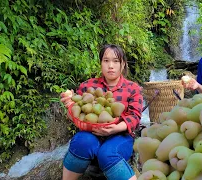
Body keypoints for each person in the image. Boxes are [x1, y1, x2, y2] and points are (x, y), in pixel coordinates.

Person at [60, 44, 143, 180]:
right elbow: (76, 115)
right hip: (91, 134)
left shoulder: (132, 88)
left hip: (120, 136)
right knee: (82, 142)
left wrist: (115, 129)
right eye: (106, 60)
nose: (110, 65)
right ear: (100, 63)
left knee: (108, 153)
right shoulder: (87, 86)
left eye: (116, 61)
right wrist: (69, 103)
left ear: (123, 65)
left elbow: (135, 117)